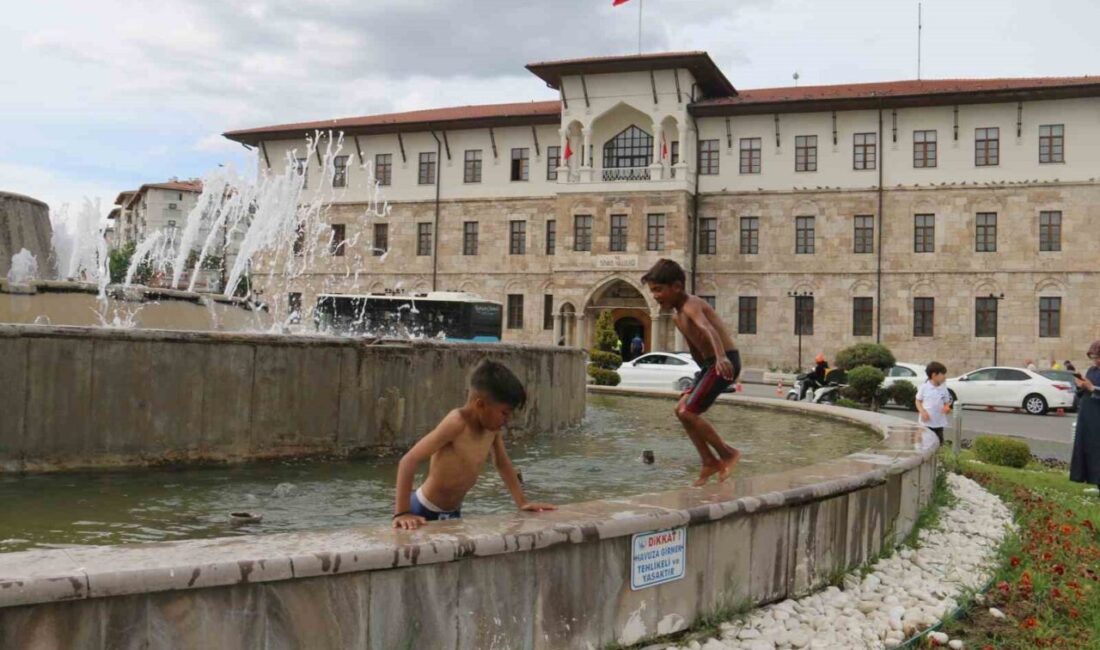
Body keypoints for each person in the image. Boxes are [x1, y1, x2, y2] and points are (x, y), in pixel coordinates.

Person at [392, 360, 556, 529]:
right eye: (504, 413)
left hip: (453, 512)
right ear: (480, 405)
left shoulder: (492, 430)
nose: (507, 421)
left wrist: (522, 502)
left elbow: (502, 463)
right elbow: (408, 460)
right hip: (422, 509)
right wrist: (402, 512)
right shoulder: (456, 422)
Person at [640, 259, 742, 486]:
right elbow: (696, 348)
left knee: (688, 412)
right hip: (709, 366)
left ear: (676, 286)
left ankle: (727, 454)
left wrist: (720, 357)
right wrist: (697, 381)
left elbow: (709, 329)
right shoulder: (677, 316)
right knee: (680, 409)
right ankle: (708, 460)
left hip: (724, 361)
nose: (655, 296)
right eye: (652, 291)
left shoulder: (691, 304)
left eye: (658, 290)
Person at [1070, 341, 1100, 497]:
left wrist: (1092, 388)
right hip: (1088, 416)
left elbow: (1093, 389)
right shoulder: (1092, 370)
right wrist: (1081, 386)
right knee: (1090, 450)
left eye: (1098, 357)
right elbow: (1083, 393)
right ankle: (1096, 483)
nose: (1096, 361)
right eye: (1094, 357)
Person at [916, 361, 952, 444]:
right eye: (942, 374)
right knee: (926, 444)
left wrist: (947, 407)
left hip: (939, 423)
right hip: (926, 424)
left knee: (939, 443)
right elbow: (918, 401)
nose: (944, 377)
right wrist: (922, 411)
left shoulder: (944, 388)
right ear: (934, 375)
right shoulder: (924, 387)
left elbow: (946, 402)